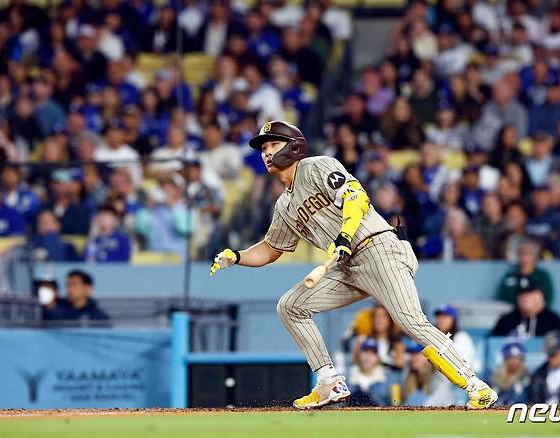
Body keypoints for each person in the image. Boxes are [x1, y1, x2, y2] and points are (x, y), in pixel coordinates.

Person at [209, 120, 497, 409]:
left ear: (294, 146)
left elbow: (355, 196)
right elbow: (271, 249)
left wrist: (346, 234)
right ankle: (329, 383)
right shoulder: (284, 205)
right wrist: (237, 256)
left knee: (410, 321)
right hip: (346, 265)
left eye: (274, 144)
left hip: (376, 248)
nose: (268, 152)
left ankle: (476, 386)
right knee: (290, 306)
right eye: (264, 148)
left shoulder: (317, 166)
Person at [491, 276, 560, 338]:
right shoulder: (506, 320)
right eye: (521, 293)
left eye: (529, 293)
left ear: (540, 296)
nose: (524, 297)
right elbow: (493, 344)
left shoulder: (553, 321)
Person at [496, 239, 555, 305]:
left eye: (527, 254)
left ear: (535, 257)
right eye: (521, 254)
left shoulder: (542, 277)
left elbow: (547, 299)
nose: (523, 257)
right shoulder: (510, 276)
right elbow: (502, 299)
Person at [352, 303, 405, 373]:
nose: (378, 319)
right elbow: (355, 364)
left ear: (390, 319)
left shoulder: (397, 344)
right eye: (375, 316)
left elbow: (399, 366)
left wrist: (380, 362)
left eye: (383, 316)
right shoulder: (363, 340)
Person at [42, 270, 109, 321]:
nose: (69, 288)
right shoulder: (55, 309)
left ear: (88, 289)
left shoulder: (98, 317)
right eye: (67, 285)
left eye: (74, 284)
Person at [347, 337, 390, 407]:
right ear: (359, 354)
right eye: (365, 352)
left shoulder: (386, 379)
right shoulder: (347, 377)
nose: (368, 357)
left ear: (377, 358)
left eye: (372, 353)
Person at [490, 341, 530, 405]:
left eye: (519, 358)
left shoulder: (527, 379)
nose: (515, 362)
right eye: (512, 358)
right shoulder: (493, 377)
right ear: (506, 359)